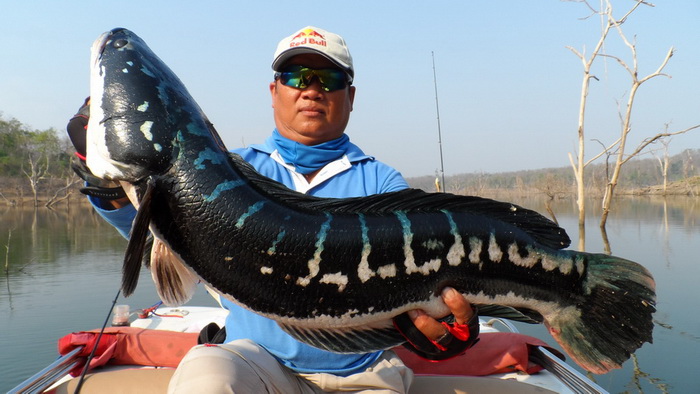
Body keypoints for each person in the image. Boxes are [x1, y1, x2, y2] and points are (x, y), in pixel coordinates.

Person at [69, 26, 478, 393]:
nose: (312, 89)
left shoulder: (383, 185)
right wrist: (110, 191)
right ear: (274, 91)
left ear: (350, 96)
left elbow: (427, 293)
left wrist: (451, 331)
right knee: (205, 376)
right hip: (255, 360)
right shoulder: (227, 173)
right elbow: (167, 251)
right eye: (296, 76)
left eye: (329, 78)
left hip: (363, 370)